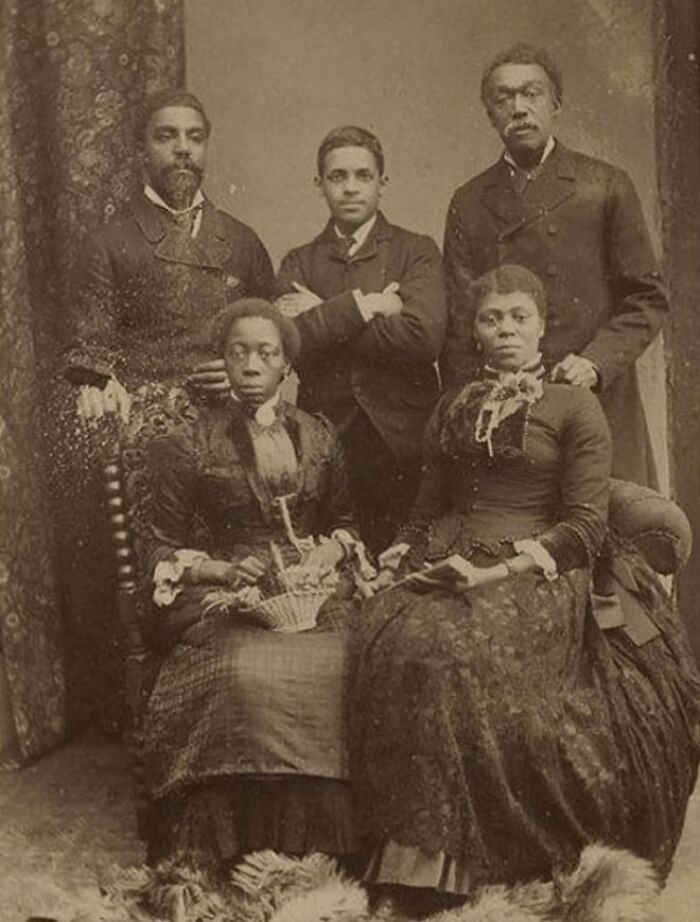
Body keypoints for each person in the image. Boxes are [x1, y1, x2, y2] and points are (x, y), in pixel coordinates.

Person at [351, 265, 700, 911]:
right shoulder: (452, 404)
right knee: (395, 632)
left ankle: (448, 862)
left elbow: (587, 524)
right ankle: (415, 854)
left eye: (517, 316)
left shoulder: (573, 404)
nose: (505, 329)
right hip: (450, 555)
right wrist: (401, 551)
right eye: (491, 318)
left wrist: (503, 568)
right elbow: (426, 507)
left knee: (457, 652)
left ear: (541, 326)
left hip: (543, 567)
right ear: (476, 332)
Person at [53, 89, 276, 729]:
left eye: (194, 137)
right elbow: (88, 344)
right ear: (139, 149)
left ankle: (244, 699)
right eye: (166, 136)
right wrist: (125, 384)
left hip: (235, 416)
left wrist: (240, 380)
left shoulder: (241, 240)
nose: (182, 150)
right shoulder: (111, 241)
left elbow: (272, 337)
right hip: (154, 423)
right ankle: (169, 709)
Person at [141, 299, 363, 874]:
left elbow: (346, 522)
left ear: (287, 364)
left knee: (347, 662)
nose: (251, 363)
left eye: (266, 352)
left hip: (312, 586)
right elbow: (158, 545)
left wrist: (332, 549)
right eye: (238, 351)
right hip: (225, 593)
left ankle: (321, 846)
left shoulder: (319, 434)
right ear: (223, 359)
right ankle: (234, 841)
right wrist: (216, 570)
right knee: (245, 672)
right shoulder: (190, 442)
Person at [441, 44, 668, 487]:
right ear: (490, 114)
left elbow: (647, 297)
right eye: (504, 98)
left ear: (556, 103)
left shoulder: (604, 185)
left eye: (532, 93)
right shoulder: (468, 202)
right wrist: (469, 403)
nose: (520, 108)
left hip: (595, 395)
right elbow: (458, 322)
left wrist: (596, 363)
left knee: (611, 536)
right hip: (506, 407)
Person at [276, 126, 447, 553]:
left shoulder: (416, 251)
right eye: (337, 177)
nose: (350, 188)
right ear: (319, 184)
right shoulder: (299, 261)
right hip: (325, 440)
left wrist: (326, 313)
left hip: (403, 441)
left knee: (402, 565)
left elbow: (422, 337)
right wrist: (366, 306)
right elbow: (289, 342)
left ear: (382, 183)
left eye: (363, 176)